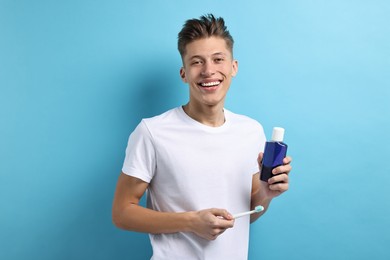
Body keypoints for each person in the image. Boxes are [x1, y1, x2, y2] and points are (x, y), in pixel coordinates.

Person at [112, 14, 292, 260]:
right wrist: (191, 221)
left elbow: (248, 213)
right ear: (184, 73)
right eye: (197, 62)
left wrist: (266, 193)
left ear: (233, 67)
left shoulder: (250, 131)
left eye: (218, 59)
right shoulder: (152, 132)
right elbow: (122, 213)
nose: (209, 71)